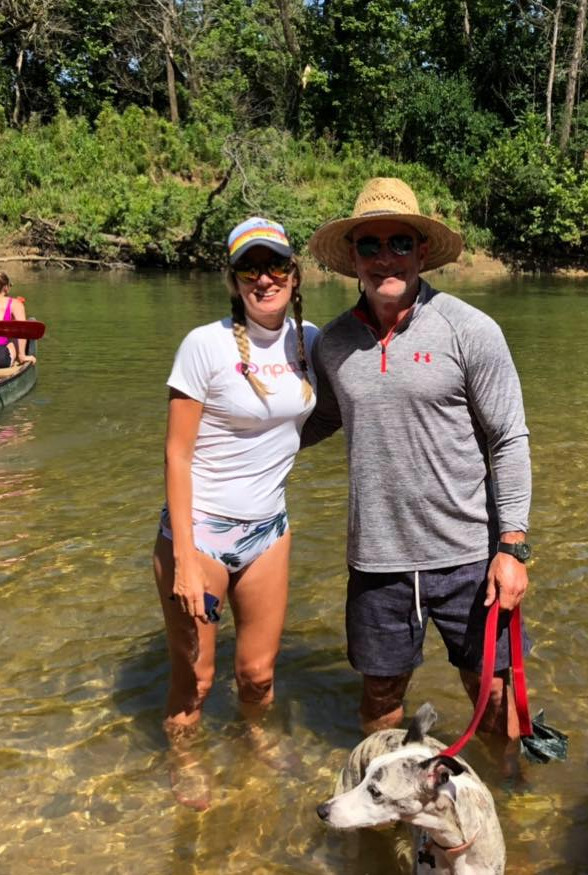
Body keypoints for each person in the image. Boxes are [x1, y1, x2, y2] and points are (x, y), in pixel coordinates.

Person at [302, 177, 532, 758]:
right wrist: (235, 443)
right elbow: (318, 420)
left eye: (399, 242)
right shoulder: (331, 345)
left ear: (422, 251)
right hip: (376, 560)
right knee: (380, 702)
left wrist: (512, 548)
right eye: (371, 245)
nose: (386, 258)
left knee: (495, 694)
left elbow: (508, 437)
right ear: (352, 257)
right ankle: (382, 818)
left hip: (467, 559)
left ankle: (508, 803)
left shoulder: (469, 330)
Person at [153, 216, 318, 809]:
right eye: (251, 267)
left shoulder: (311, 342)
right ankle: (186, 755)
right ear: (233, 280)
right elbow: (177, 454)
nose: (264, 278)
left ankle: (253, 735)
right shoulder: (206, 345)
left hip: (269, 532)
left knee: (258, 675)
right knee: (195, 679)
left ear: (296, 275)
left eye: (276, 264)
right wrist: (185, 562)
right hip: (200, 535)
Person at [0, 272, 36, 368]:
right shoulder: (15, 304)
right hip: (1, 357)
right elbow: (22, 331)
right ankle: (21, 356)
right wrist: (22, 356)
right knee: (13, 338)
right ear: (6, 287)